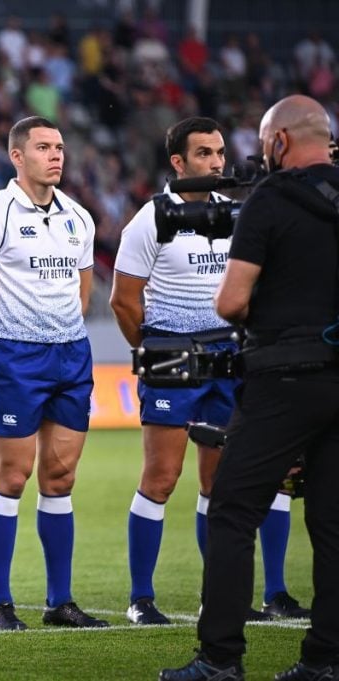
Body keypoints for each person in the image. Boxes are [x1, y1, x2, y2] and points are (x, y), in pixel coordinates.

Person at [160, 95, 339, 681]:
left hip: (284, 377)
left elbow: (231, 300)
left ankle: (219, 660)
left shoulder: (269, 198)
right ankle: (325, 662)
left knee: (233, 513)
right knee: (333, 524)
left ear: (279, 142)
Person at [110, 117, 310, 626]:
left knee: (219, 485)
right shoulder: (150, 219)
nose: (217, 163)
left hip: (228, 360)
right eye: (204, 154)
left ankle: (215, 596)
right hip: (172, 360)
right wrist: (156, 349)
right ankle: (141, 598)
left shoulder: (241, 214)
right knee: (161, 477)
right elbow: (123, 302)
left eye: (220, 153)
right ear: (177, 163)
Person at [0, 116, 107, 631]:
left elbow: (82, 296)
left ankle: (59, 602)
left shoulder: (79, 219)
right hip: (16, 359)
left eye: (60, 146)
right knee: (13, 475)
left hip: (70, 355)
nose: (55, 155)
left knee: (60, 477)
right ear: (17, 156)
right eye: (43, 147)